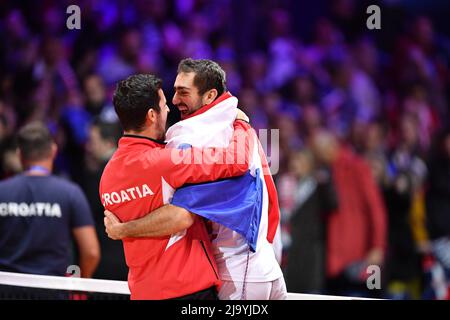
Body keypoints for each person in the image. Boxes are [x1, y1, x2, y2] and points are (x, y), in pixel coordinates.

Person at [104, 59, 287, 300]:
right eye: (166, 100)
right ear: (151, 115)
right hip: (228, 276)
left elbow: (182, 214)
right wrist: (243, 122)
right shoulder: (180, 152)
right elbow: (260, 188)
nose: (172, 104)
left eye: (182, 92)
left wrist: (122, 230)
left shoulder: (108, 174)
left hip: (155, 287)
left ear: (210, 95)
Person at [0, 122, 100, 278]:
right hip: (53, 289)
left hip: (7, 289)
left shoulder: (2, 191)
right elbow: (91, 252)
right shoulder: (70, 193)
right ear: (53, 151)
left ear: (19, 154)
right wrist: (80, 283)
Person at [309, 129, 387, 298]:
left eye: (319, 153)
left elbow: (376, 210)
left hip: (357, 251)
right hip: (332, 255)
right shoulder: (325, 172)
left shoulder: (357, 167)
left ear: (331, 147)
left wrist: (377, 247)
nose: (318, 159)